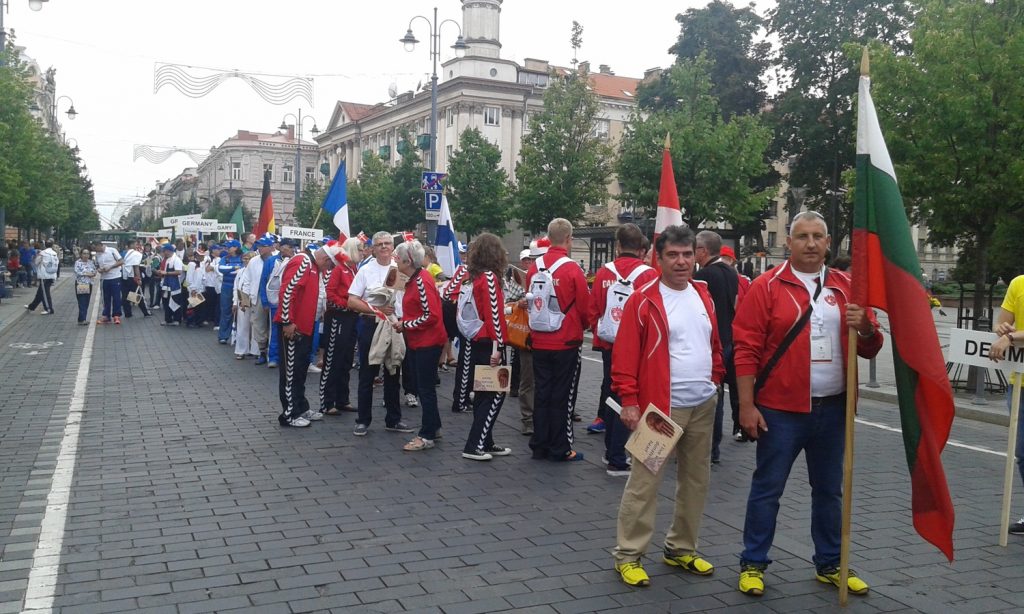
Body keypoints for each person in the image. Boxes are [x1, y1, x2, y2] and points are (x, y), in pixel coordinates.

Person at [733, 211, 883, 597]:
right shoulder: (766, 287)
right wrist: (746, 406)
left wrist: (865, 326)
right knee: (768, 487)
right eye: (803, 236)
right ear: (789, 240)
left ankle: (831, 562)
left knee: (830, 490)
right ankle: (753, 562)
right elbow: (746, 350)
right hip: (781, 410)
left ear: (829, 242)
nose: (811, 244)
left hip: (834, 409)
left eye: (818, 236)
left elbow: (871, 347)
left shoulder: (847, 287)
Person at [610, 225, 724, 587]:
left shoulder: (703, 295)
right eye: (672, 255)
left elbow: (715, 343)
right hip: (660, 409)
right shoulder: (643, 299)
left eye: (687, 254)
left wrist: (715, 378)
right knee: (644, 483)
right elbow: (624, 356)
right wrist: (629, 401)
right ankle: (628, 554)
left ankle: (681, 548)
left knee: (696, 480)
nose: (681, 261)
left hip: (703, 404)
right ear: (657, 259)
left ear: (696, 256)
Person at [588, 224, 658, 476]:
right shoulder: (648, 274)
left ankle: (610, 448)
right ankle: (618, 456)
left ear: (617, 245)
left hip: (609, 342)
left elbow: (593, 308)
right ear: (640, 248)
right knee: (629, 396)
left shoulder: (604, 272)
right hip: (637, 346)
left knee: (611, 391)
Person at [526, 218, 591, 462]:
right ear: (568, 239)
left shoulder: (535, 267)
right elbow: (584, 307)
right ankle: (561, 446)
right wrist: (582, 326)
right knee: (562, 395)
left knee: (542, 392)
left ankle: (539, 443)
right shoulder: (572, 268)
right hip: (566, 341)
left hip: (539, 339)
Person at [346, 231, 414, 436]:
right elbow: (351, 300)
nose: (384, 247)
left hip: (396, 325)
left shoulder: (400, 269)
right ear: (372, 248)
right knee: (368, 372)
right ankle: (363, 420)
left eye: (387, 243)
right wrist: (375, 310)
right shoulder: (365, 270)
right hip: (371, 324)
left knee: (393, 371)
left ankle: (393, 419)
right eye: (380, 244)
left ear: (393, 247)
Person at [275, 241, 342, 427]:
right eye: (330, 264)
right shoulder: (303, 261)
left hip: (305, 327)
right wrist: (287, 321)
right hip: (293, 327)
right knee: (290, 372)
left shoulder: (314, 267)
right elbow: (288, 292)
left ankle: (301, 407)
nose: (329, 268)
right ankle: (289, 414)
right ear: (326, 258)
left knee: (300, 369)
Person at [459, 233, 513, 461]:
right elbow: (494, 315)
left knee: (484, 393)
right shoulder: (490, 277)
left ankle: (485, 441)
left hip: (480, 340)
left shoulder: (475, 276)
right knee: (495, 394)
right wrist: (499, 346)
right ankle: (475, 444)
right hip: (490, 342)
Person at [392, 239, 448, 451]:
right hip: (421, 341)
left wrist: (405, 324)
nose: (395, 260)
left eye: (398, 257)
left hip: (427, 342)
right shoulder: (417, 278)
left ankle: (426, 435)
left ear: (407, 261)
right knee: (425, 388)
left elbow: (431, 315)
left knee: (425, 389)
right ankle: (434, 427)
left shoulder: (421, 281)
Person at [694, 231, 741, 462]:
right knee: (719, 393)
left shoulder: (703, 275)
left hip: (710, 342)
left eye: (694, 249)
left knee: (709, 396)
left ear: (703, 251)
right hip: (728, 339)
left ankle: (707, 448)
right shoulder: (731, 273)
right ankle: (714, 448)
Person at [989, 274, 1024, 533]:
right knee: (1022, 452)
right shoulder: (1018, 283)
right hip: (1019, 382)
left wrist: (1010, 338)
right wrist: (1003, 330)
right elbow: (1002, 322)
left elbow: (1010, 335)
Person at [321, 238, 362, 415]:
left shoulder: (353, 269)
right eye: (360, 249)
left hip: (351, 318)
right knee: (332, 360)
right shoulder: (338, 268)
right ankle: (327, 402)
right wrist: (348, 305)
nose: (363, 251)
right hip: (338, 317)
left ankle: (342, 399)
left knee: (346, 360)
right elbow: (329, 294)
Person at [242, 234, 275, 363]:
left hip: (273, 298)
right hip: (257, 297)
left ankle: (273, 354)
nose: (260, 248)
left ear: (271, 248)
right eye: (259, 246)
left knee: (273, 326)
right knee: (258, 324)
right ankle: (262, 352)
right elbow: (247, 281)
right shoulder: (253, 261)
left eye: (263, 246)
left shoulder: (278, 260)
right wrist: (244, 300)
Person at [263, 239, 295, 369]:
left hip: (290, 302)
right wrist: (265, 301)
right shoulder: (271, 261)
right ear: (281, 247)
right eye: (288, 247)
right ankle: (273, 357)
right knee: (275, 330)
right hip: (274, 302)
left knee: (289, 329)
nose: (290, 249)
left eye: (292, 247)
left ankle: (287, 357)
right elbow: (263, 281)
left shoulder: (295, 260)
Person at [217, 240, 244, 344]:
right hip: (227, 287)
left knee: (241, 312)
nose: (227, 248)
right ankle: (223, 336)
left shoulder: (242, 257)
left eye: (229, 247)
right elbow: (221, 268)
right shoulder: (225, 258)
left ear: (236, 248)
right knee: (226, 311)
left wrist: (231, 270)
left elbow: (242, 270)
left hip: (240, 287)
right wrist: (234, 267)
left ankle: (238, 337)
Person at [93, 241, 124, 324]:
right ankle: (106, 315)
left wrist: (110, 267)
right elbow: (97, 265)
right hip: (104, 278)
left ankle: (116, 315)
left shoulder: (112, 250)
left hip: (115, 277)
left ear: (99, 245)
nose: (95, 250)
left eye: (95, 247)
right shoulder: (97, 255)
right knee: (105, 298)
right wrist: (99, 269)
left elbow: (121, 261)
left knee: (116, 297)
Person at [25, 240, 59, 315]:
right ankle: (32, 306)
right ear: (52, 245)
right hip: (52, 274)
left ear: (45, 245)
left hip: (44, 275)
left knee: (45, 293)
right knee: (40, 292)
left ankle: (49, 309)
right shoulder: (54, 253)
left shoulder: (43, 253)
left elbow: (36, 262)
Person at [155, 243, 185, 325]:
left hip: (175, 285)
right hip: (166, 285)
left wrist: (166, 273)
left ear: (168, 251)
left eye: (164, 251)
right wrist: (161, 272)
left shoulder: (176, 260)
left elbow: (179, 272)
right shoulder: (167, 259)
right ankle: (168, 319)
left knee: (175, 302)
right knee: (166, 302)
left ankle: (177, 319)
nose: (163, 253)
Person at [121, 240, 151, 318]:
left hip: (125, 276)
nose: (136, 245)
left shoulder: (125, 253)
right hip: (132, 277)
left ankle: (128, 313)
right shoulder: (135, 254)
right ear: (132, 245)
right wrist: (138, 278)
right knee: (137, 294)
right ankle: (145, 312)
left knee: (126, 295)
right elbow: (136, 267)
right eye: (135, 244)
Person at [73, 248, 97, 324]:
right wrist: (87, 273)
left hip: (89, 283)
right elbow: (78, 272)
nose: (86, 255)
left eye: (87, 254)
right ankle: (82, 319)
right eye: (84, 253)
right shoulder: (78, 262)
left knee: (86, 301)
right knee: (82, 301)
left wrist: (92, 274)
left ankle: (81, 319)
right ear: (81, 254)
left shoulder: (91, 262)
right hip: (81, 284)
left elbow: (94, 271)